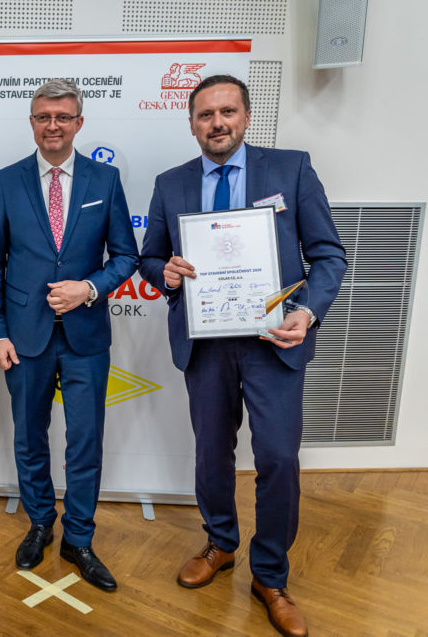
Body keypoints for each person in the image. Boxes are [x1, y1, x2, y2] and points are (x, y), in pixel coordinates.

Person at [139, 74, 347, 637]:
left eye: (227, 111)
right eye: (206, 115)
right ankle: (220, 544)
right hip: (206, 343)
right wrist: (166, 273)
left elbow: (329, 255)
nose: (217, 123)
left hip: (273, 343)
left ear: (246, 117)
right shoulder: (171, 183)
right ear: (192, 124)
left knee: (277, 457)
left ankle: (271, 576)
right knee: (212, 453)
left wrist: (308, 312)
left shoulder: (291, 170)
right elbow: (150, 258)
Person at [0, 78, 139, 591]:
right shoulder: (7, 181)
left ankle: (80, 538)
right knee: (29, 436)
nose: (53, 125)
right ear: (32, 122)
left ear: (78, 122)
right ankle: (40, 523)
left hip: (85, 336)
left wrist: (89, 288)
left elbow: (127, 256)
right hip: (24, 336)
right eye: (44, 117)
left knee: (85, 440)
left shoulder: (105, 179)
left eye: (63, 117)